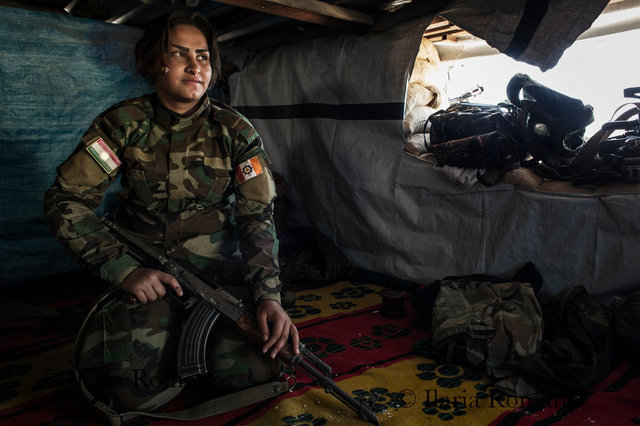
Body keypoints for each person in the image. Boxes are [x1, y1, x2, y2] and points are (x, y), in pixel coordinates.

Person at [43, 9, 298, 414]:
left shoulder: (235, 132)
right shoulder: (123, 125)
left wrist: (269, 296)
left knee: (257, 371)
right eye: (180, 54)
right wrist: (122, 269)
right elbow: (65, 199)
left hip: (218, 278)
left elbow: (256, 218)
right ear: (154, 63)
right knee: (126, 394)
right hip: (152, 277)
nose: (195, 66)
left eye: (203, 56)